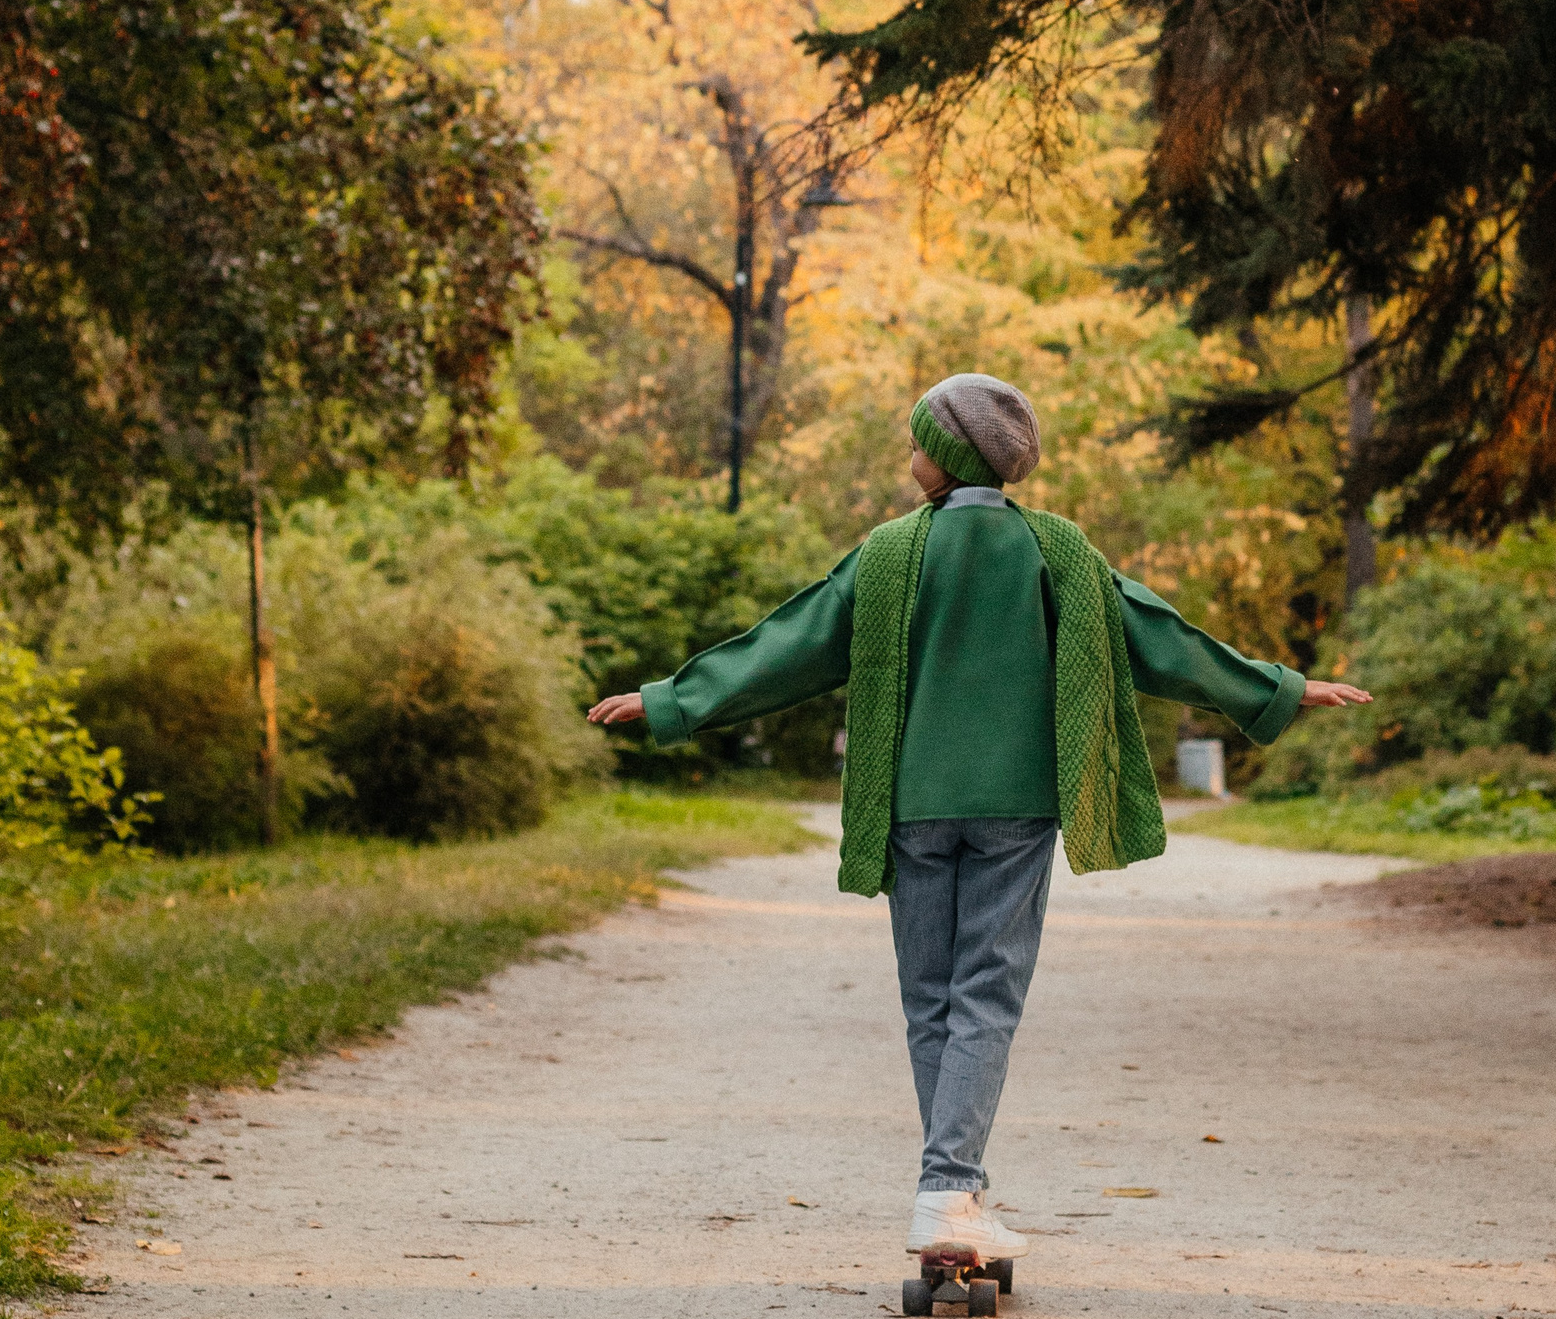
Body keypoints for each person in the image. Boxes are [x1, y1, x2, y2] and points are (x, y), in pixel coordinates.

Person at [586, 373, 1373, 1264]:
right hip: (1018, 806)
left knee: (931, 1001)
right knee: (985, 997)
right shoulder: (1058, 551)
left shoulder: (888, 553)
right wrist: (1277, 688)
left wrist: (671, 701)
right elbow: (1158, 636)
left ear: (948, 453)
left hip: (911, 804)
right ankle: (950, 1191)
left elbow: (790, 643)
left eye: (917, 440)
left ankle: (953, 1191)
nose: (909, 454)